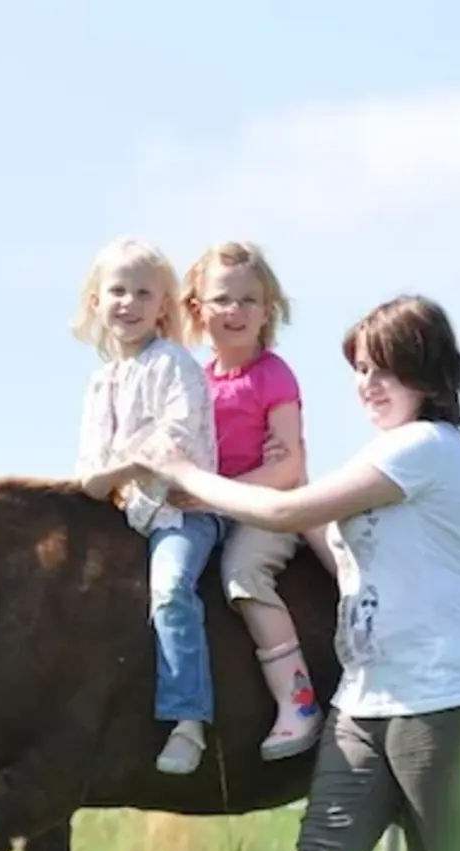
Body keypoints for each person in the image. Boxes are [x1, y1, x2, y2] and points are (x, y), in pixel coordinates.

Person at [109, 294, 460, 851]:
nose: (367, 384)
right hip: (365, 698)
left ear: (428, 371)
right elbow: (320, 534)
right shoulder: (384, 454)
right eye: (361, 370)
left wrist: (193, 477)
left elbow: (283, 510)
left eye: (384, 369)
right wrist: (271, 481)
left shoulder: (427, 448)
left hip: (444, 694)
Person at [71, 236, 222, 776]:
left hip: (182, 513)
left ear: (164, 306)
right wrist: (109, 476)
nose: (128, 303)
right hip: (124, 516)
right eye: (117, 291)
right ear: (96, 301)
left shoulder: (173, 364)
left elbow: (174, 436)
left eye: (143, 293)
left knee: (170, 588)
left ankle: (188, 720)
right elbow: (88, 471)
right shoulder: (101, 382)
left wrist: (121, 471)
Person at [179, 240, 323, 761]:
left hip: (269, 507)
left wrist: (221, 495)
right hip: (215, 509)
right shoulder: (195, 379)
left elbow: (289, 467)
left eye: (248, 300)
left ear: (268, 311)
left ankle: (298, 700)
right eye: (222, 299)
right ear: (197, 309)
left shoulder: (273, 375)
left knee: (244, 575)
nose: (235, 311)